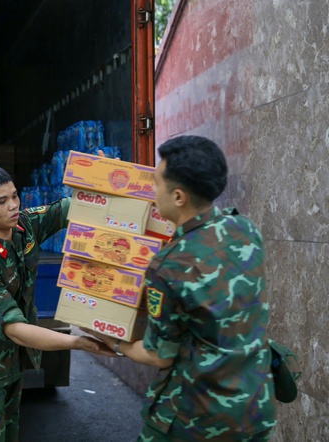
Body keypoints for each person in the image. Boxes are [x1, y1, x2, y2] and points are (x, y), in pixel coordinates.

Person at [84, 135, 277, 441]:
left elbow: (158, 356)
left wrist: (114, 343)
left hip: (197, 420)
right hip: (256, 408)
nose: (152, 189)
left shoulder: (168, 266)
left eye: (156, 183)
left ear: (178, 197)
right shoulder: (244, 230)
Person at [0, 164, 116, 441]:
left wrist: (102, 181)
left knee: (12, 433)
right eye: (2, 201)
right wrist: (76, 343)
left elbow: (67, 209)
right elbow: (14, 327)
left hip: (12, 362)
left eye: (14, 196)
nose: (14, 205)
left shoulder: (23, 226)